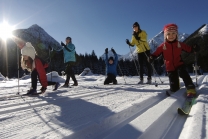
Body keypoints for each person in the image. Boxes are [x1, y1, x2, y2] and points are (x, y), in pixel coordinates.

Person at [148, 23, 199, 97]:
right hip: (170, 68)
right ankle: (174, 89)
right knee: (174, 85)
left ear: (176, 35)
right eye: (169, 34)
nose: (171, 36)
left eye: (173, 33)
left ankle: (190, 88)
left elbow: (189, 49)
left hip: (179, 64)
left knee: (184, 74)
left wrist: (194, 48)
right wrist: (151, 57)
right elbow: (155, 53)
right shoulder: (162, 46)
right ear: (166, 36)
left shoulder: (179, 44)